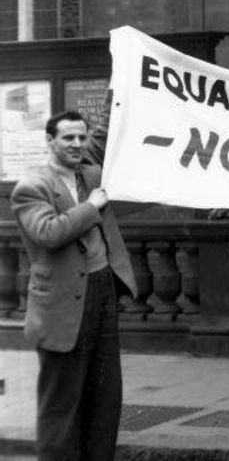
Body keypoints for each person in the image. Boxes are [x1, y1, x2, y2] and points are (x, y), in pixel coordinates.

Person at [12, 109, 137, 461]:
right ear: (50, 141)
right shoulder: (31, 187)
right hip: (61, 306)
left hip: (102, 292)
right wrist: (92, 206)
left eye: (81, 137)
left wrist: (123, 76)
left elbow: (104, 135)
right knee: (62, 406)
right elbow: (48, 233)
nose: (77, 144)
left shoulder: (90, 173)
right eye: (68, 137)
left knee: (105, 398)